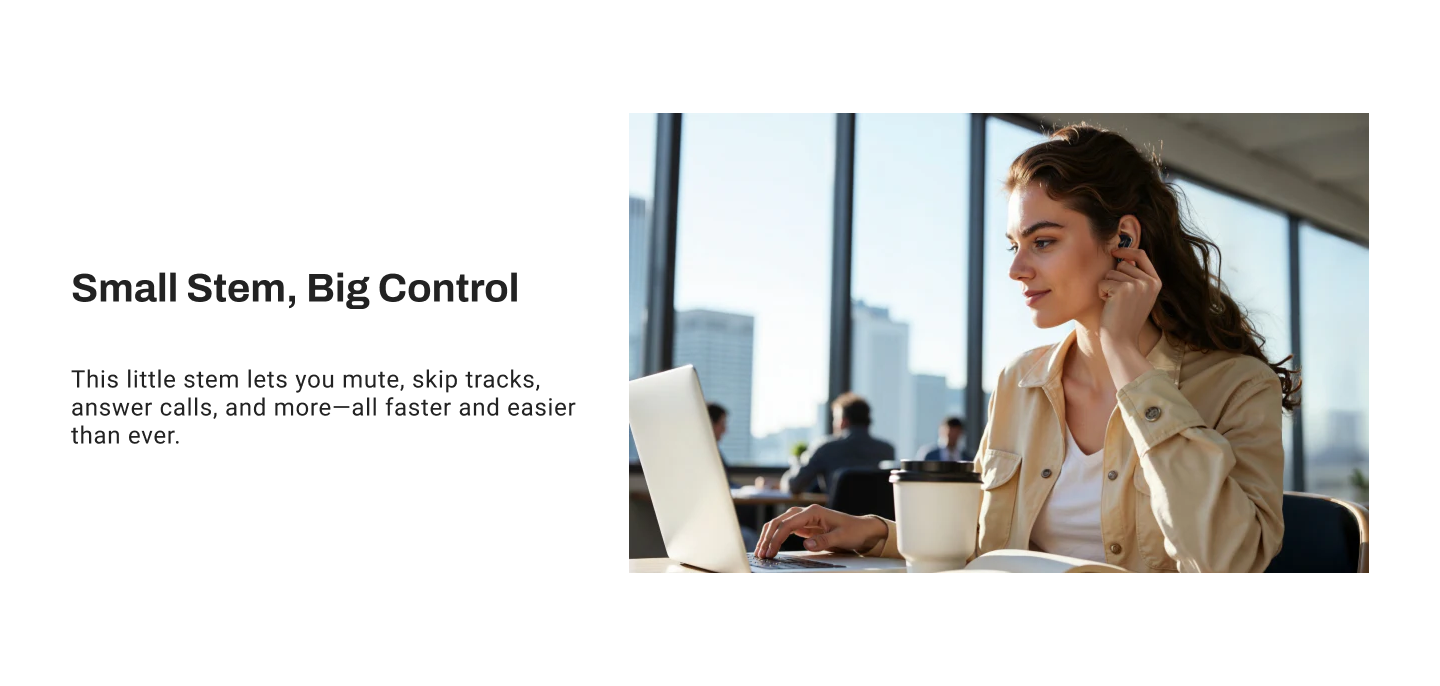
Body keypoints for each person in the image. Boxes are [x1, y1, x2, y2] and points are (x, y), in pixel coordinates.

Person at [754, 123, 1298, 573]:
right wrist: (870, 531)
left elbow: (1226, 566)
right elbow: (991, 542)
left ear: (1123, 239)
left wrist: (1125, 359)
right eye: (1015, 246)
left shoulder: (1238, 385)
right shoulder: (1021, 381)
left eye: (1043, 242)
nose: (1016, 270)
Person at [778, 393, 895, 496]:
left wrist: (797, 463)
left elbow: (794, 485)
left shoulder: (825, 447)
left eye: (835, 419)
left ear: (843, 422)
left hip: (835, 520)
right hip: (876, 520)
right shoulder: (887, 450)